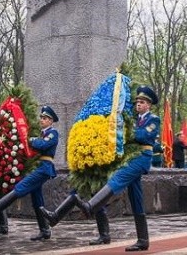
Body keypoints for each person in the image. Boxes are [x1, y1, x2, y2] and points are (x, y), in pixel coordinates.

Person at [44, 86, 160, 252]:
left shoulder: (153, 120)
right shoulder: (134, 120)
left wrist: (127, 131)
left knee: (118, 178)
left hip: (141, 158)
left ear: (149, 104)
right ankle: (143, 240)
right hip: (131, 157)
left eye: (142, 102)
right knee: (136, 198)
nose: (138, 105)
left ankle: (90, 206)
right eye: (137, 102)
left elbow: (144, 136)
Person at [0, 105, 59, 241]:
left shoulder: (53, 133)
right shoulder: (42, 135)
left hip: (45, 167)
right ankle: (45, 231)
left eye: (45, 118)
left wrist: (30, 140)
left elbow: (42, 145)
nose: (41, 120)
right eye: (41, 117)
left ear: (51, 121)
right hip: (39, 166)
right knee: (37, 201)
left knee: (22, 185)